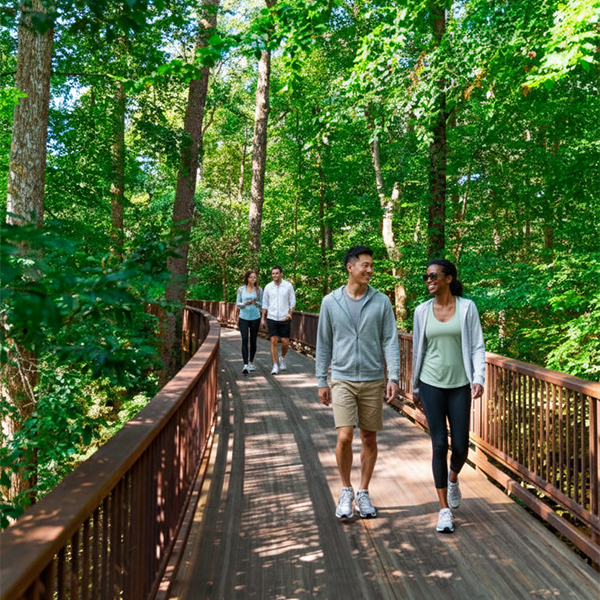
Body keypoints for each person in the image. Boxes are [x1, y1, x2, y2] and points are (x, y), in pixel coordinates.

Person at [316, 246, 400, 520]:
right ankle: (345, 489)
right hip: (342, 378)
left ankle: (363, 492)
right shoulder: (331, 301)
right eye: (365, 265)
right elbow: (324, 342)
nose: (370, 270)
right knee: (344, 436)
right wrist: (321, 380)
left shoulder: (381, 301)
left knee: (369, 437)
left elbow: (390, 339)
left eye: (372, 265)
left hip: (373, 378)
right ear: (350, 267)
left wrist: (394, 376)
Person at [412, 259, 485, 534]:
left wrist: (478, 378)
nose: (429, 280)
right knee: (439, 444)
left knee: (461, 446)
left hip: (459, 385)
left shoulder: (467, 308)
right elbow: (418, 349)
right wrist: (415, 385)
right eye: (426, 276)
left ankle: (453, 478)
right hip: (431, 382)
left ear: (449, 278)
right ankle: (443, 510)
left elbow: (477, 345)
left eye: (433, 276)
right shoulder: (421, 311)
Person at [260, 265, 296, 375]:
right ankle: (275, 365)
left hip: (284, 317)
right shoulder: (268, 287)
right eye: (273, 273)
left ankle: (282, 357)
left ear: (281, 274)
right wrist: (263, 319)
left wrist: (290, 314)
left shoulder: (288, 286)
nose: (274, 275)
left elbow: (292, 301)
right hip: (271, 317)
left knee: (285, 342)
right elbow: (265, 304)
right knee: (273, 340)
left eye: (276, 273)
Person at [236, 270, 263, 375]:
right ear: (247, 278)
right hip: (243, 317)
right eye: (251, 277)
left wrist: (255, 303)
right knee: (244, 339)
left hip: (255, 317)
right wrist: (244, 303)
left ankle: (251, 361)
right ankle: (245, 365)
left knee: (253, 340)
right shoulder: (241, 289)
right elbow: (238, 303)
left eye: (254, 277)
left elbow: (262, 304)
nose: (253, 279)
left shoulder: (259, 290)